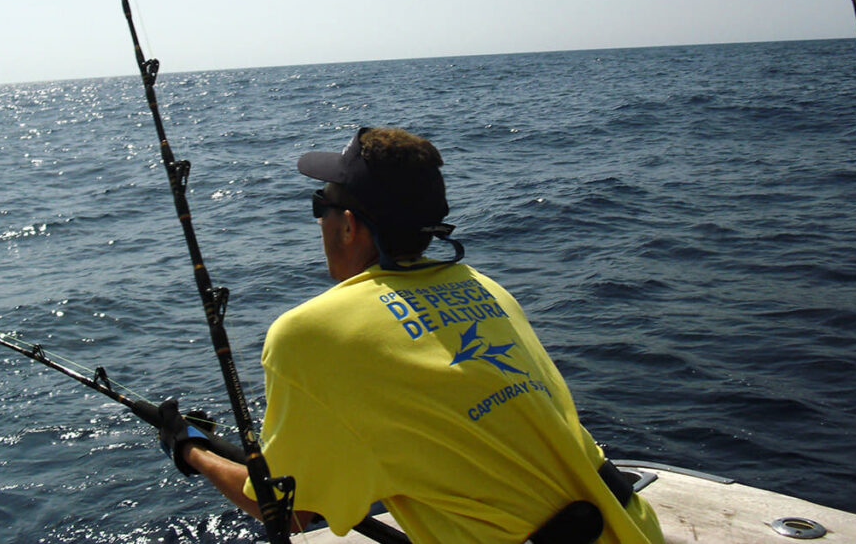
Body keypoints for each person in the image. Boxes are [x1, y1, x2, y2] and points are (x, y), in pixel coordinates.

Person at [157, 127, 664, 544]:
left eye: (321, 205)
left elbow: (288, 511)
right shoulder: (486, 288)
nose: (319, 220)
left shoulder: (306, 335)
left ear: (350, 225)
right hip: (628, 526)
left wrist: (192, 448)